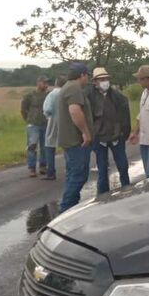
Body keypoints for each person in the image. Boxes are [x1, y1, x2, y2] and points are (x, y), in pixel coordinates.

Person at [57, 62, 94, 212]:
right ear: (82, 75)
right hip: (76, 141)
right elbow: (75, 111)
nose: (88, 79)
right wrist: (85, 132)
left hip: (69, 140)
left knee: (73, 175)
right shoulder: (74, 88)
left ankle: (70, 208)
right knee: (78, 176)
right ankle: (66, 210)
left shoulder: (67, 87)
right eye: (87, 75)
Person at [88, 67, 131, 194]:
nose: (104, 81)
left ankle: (127, 191)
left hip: (117, 137)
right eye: (101, 79)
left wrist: (123, 134)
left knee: (123, 166)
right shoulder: (89, 97)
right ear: (95, 82)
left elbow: (125, 118)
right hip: (99, 138)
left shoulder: (118, 97)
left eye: (106, 78)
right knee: (102, 169)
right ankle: (103, 195)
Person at [21, 76, 50, 177]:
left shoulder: (49, 95)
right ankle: (32, 168)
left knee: (45, 146)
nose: (46, 85)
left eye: (47, 83)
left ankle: (43, 166)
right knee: (32, 146)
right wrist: (28, 120)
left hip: (45, 124)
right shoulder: (30, 95)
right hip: (33, 124)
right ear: (38, 83)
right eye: (44, 83)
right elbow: (23, 109)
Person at [41, 75, 65, 181]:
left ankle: (51, 172)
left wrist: (47, 116)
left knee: (49, 146)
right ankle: (70, 170)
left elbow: (48, 109)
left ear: (56, 83)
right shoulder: (66, 93)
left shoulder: (52, 94)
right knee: (68, 147)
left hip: (53, 122)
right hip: (66, 123)